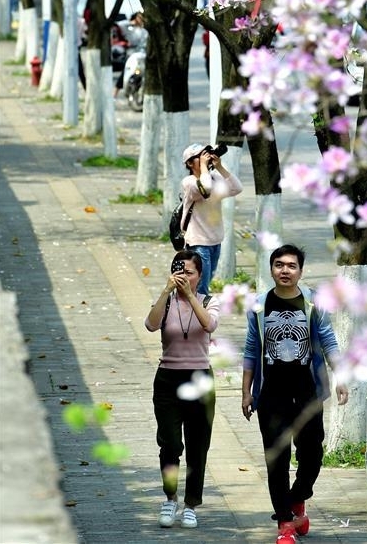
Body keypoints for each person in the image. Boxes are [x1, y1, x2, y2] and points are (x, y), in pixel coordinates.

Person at [241, 244, 349, 544]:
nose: (285, 270)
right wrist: (246, 391)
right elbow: (251, 349)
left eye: (291, 265)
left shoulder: (313, 303)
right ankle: (285, 524)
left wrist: (340, 377)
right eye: (279, 265)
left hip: (307, 393)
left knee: (312, 455)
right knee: (277, 460)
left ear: (300, 271)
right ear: (271, 269)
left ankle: (297, 498)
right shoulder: (260, 306)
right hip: (270, 395)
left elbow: (329, 341)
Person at [144, 250, 220, 530]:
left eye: (190, 272)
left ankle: (191, 504)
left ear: (200, 275)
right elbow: (150, 325)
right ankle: (170, 498)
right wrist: (166, 291)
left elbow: (209, 324)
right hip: (168, 379)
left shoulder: (209, 301)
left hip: (199, 378)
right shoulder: (165, 303)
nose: (184, 276)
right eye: (180, 271)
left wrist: (190, 295)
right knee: (170, 443)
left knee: (198, 446)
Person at [180, 142, 243, 294]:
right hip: (198, 242)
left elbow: (237, 188)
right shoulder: (189, 183)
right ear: (190, 163)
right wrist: (204, 167)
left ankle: (197, 307)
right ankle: (197, 309)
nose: (206, 158)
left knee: (204, 283)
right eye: (200, 156)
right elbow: (206, 188)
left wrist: (219, 167)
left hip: (215, 240)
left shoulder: (213, 178)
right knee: (201, 288)